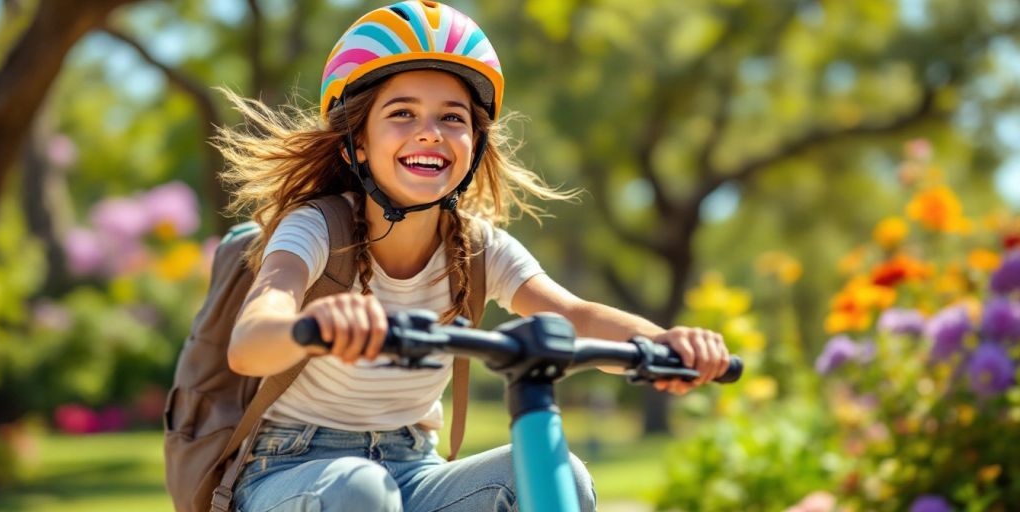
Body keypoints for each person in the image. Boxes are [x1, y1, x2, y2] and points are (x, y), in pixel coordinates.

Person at [219, 1, 730, 511]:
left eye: (452, 117)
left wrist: (664, 343)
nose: (431, 131)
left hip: (414, 467)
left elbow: (573, 315)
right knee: (359, 489)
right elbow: (251, 339)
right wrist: (309, 328)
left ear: (476, 143)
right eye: (402, 113)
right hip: (289, 467)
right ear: (355, 145)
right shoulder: (315, 228)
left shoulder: (476, 247)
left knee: (556, 475)